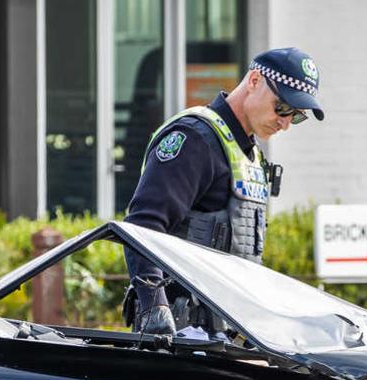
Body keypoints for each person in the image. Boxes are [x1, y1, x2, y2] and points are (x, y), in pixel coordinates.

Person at [122, 47, 324, 335]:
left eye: (297, 116)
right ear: (254, 81)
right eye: (282, 107)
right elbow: (143, 226)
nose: (285, 123)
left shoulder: (248, 154)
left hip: (225, 336)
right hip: (180, 338)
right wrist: (155, 308)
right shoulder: (194, 138)